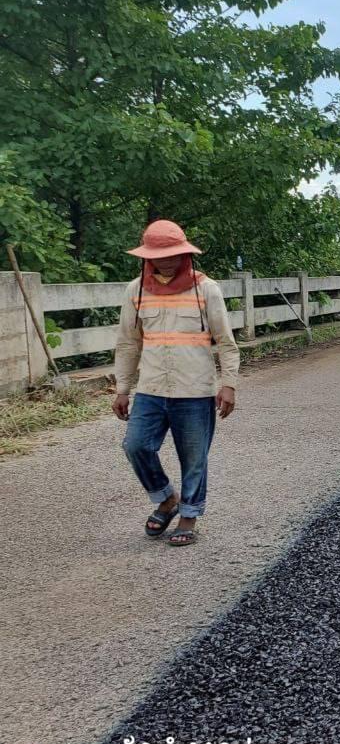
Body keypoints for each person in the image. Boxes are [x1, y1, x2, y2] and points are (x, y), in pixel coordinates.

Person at [112, 220, 240, 547]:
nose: (166, 261)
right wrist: (123, 389)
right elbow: (128, 343)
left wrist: (229, 384)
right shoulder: (136, 290)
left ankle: (189, 516)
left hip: (195, 390)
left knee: (194, 458)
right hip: (151, 389)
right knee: (136, 445)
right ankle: (167, 499)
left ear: (184, 253)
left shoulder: (206, 289)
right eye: (159, 256)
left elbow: (226, 341)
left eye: (172, 254)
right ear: (147, 257)